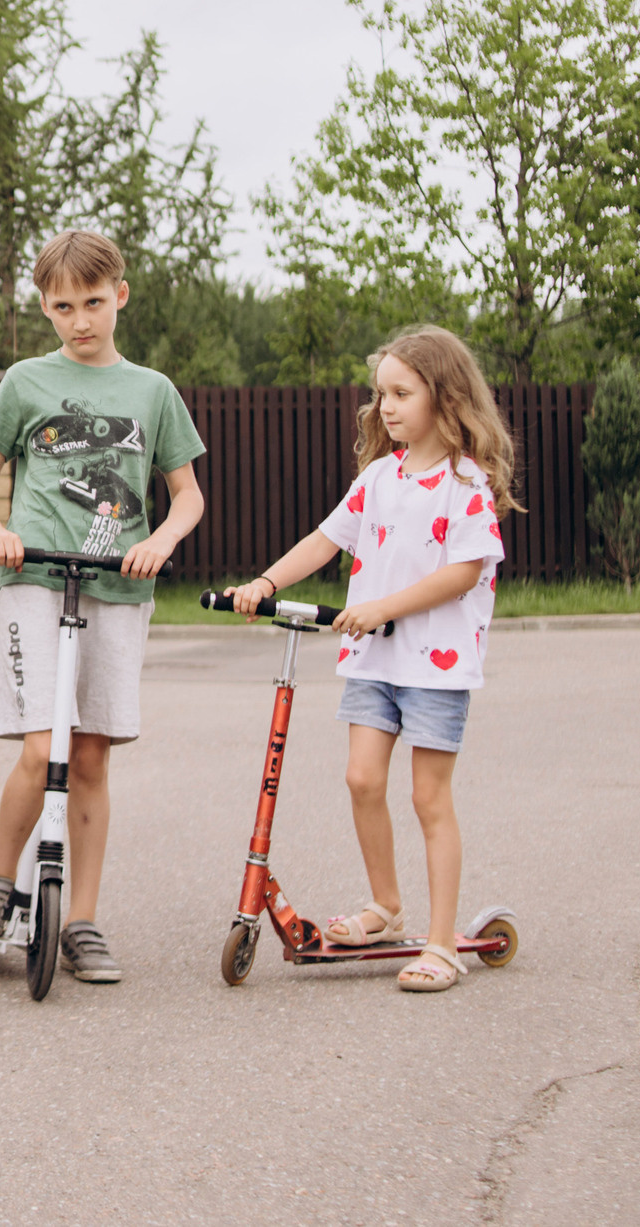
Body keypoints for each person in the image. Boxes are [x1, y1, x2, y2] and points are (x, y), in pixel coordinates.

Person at [220, 324, 519, 992]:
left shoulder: (465, 483)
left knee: (428, 796)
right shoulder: (379, 477)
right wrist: (265, 582)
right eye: (380, 392)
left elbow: (465, 571)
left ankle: (441, 944)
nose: (384, 405)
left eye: (400, 392)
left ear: (444, 398)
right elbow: (325, 541)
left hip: (435, 665)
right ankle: (386, 905)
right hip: (373, 663)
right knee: (361, 779)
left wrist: (383, 607)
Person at [0, 229, 206, 984]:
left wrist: (160, 539)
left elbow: (187, 495)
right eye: (63, 306)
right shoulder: (27, 381)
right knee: (42, 747)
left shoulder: (153, 391)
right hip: (34, 578)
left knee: (90, 756)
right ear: (45, 306)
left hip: (118, 587)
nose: (80, 320)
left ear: (120, 295)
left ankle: (84, 921)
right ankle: (0, 882)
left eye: (93, 302)